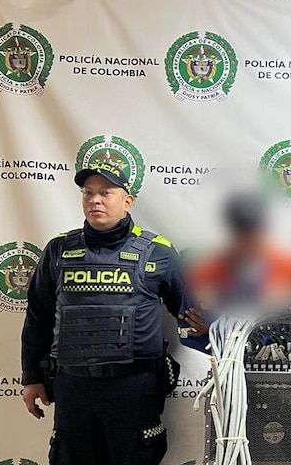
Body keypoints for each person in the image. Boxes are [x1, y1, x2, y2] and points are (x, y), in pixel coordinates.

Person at [20, 163, 186, 465]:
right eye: (88, 193)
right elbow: (38, 318)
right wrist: (31, 377)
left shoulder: (158, 252)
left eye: (105, 193)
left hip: (134, 389)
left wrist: (215, 338)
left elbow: (190, 312)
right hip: (74, 389)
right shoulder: (58, 250)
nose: (95, 200)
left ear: (127, 201)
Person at [178, 191, 291, 352]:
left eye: (254, 232)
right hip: (220, 358)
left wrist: (216, 329)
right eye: (242, 233)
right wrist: (213, 330)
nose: (248, 241)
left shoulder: (286, 267)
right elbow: (191, 325)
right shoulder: (208, 270)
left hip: (272, 357)